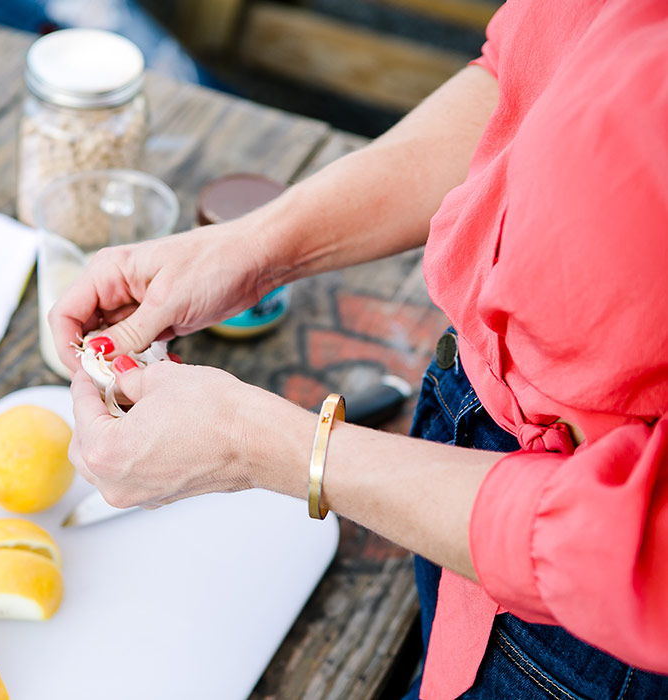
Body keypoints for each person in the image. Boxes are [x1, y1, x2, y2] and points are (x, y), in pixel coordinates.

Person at [48, 1, 668, 698]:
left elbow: (646, 547)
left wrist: (254, 444)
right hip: (464, 452)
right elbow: (529, 79)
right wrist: (250, 246)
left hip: (597, 621)